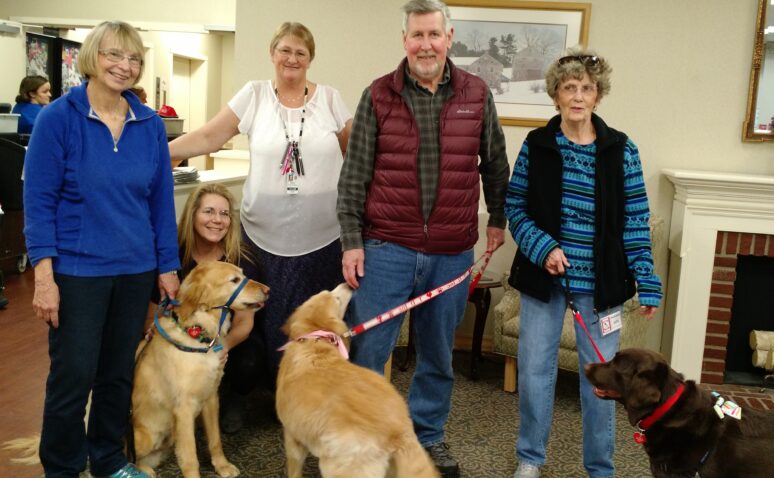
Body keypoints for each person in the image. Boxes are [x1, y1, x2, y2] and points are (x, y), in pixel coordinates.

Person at [336, 1, 509, 476]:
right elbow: (354, 176)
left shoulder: (477, 93)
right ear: (405, 40)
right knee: (369, 352)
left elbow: (495, 164)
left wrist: (497, 219)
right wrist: (352, 240)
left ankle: (426, 437)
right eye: (417, 35)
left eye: (434, 34)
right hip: (385, 248)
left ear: (449, 37)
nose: (426, 45)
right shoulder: (378, 95)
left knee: (437, 355)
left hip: (451, 253)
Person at [24, 21, 179, 478]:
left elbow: (161, 201)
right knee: (73, 375)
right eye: (114, 55)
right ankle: (62, 468)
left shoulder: (149, 124)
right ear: (92, 57)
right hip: (77, 272)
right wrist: (44, 278)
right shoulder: (58, 118)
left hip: (135, 269)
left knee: (117, 373)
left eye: (134, 59)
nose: (124, 66)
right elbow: (39, 203)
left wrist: (167, 266)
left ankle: (108, 459)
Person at [504, 48, 663, 478]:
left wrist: (646, 280)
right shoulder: (537, 145)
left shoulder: (621, 149)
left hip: (601, 286)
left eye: (587, 88)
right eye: (569, 87)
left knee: (602, 383)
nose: (578, 96)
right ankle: (530, 458)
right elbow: (515, 207)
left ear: (598, 95)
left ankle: (600, 468)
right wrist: (543, 248)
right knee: (534, 373)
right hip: (544, 280)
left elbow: (635, 220)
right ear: (555, 95)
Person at [169, 22, 352, 381]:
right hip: (262, 239)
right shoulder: (254, 95)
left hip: (322, 240)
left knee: (313, 324)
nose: (292, 58)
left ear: (310, 59)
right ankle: (270, 393)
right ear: (272, 54)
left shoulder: (330, 99)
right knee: (267, 324)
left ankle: (310, 391)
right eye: (285, 50)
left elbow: (357, 155)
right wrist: (158, 153)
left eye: (300, 52)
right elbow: (208, 136)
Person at [148, 182, 265, 433]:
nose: (218, 220)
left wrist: (221, 348)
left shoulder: (241, 260)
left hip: (225, 339)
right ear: (193, 215)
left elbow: (244, 323)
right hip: (180, 340)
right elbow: (152, 314)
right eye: (209, 211)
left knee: (251, 361)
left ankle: (234, 397)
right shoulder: (172, 258)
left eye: (224, 214)